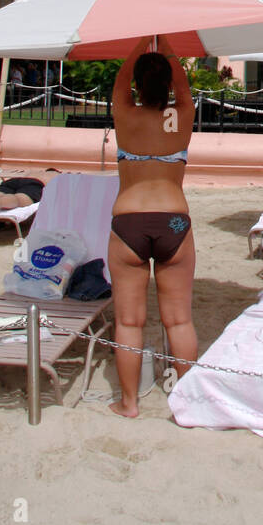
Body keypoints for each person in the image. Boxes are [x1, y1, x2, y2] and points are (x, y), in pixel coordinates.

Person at [109, 35, 195, 419]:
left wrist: (142, 42)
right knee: (179, 319)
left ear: (138, 86)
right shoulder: (183, 116)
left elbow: (119, 81)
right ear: (168, 84)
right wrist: (169, 47)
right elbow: (182, 86)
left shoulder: (125, 114)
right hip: (174, 221)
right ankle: (187, 404)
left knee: (129, 321)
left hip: (129, 220)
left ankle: (129, 404)